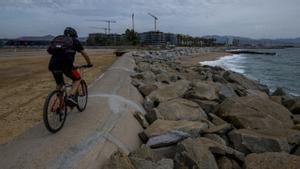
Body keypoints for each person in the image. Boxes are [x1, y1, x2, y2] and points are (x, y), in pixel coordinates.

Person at [47, 27, 92, 106]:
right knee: (77, 78)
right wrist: (89, 63)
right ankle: (71, 96)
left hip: (53, 65)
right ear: (74, 34)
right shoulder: (75, 41)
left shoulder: (58, 40)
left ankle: (59, 104)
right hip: (67, 65)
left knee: (59, 84)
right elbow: (84, 54)